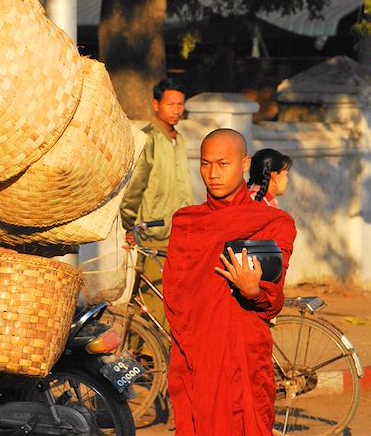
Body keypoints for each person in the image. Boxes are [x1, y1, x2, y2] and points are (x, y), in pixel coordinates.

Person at [163, 128, 296, 435]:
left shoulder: (272, 223)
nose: (212, 174)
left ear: (245, 164)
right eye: (205, 164)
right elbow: (175, 291)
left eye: (223, 164)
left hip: (242, 351)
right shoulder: (187, 222)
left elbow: (274, 300)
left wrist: (254, 291)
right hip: (194, 350)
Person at [119, 78, 194, 326]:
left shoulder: (179, 140)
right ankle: (146, 357)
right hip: (153, 230)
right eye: (170, 104)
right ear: (155, 105)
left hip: (179, 231)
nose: (176, 109)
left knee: (174, 295)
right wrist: (129, 225)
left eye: (180, 104)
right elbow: (135, 186)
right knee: (151, 297)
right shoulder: (148, 138)